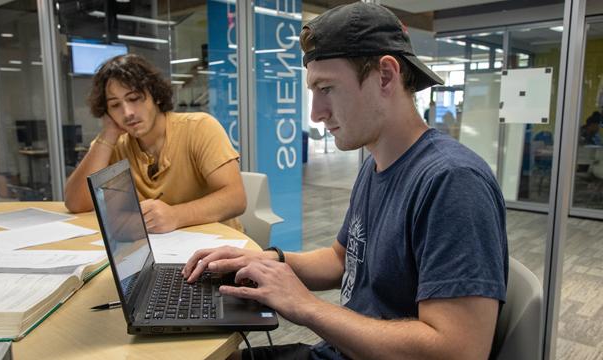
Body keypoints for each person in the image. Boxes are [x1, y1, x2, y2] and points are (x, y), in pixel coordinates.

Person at [183, 3, 508, 359]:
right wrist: (267, 260)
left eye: (327, 88)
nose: (315, 113)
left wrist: (305, 307)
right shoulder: (377, 165)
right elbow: (343, 259)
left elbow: (459, 351)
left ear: (385, 75)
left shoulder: (452, 181)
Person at [64, 54, 246, 233]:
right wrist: (108, 133)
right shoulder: (115, 142)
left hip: (220, 248)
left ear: (156, 96)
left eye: (134, 99)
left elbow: (236, 199)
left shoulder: (199, 127)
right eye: (115, 105)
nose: (127, 112)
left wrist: (176, 215)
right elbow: (76, 204)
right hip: (163, 250)